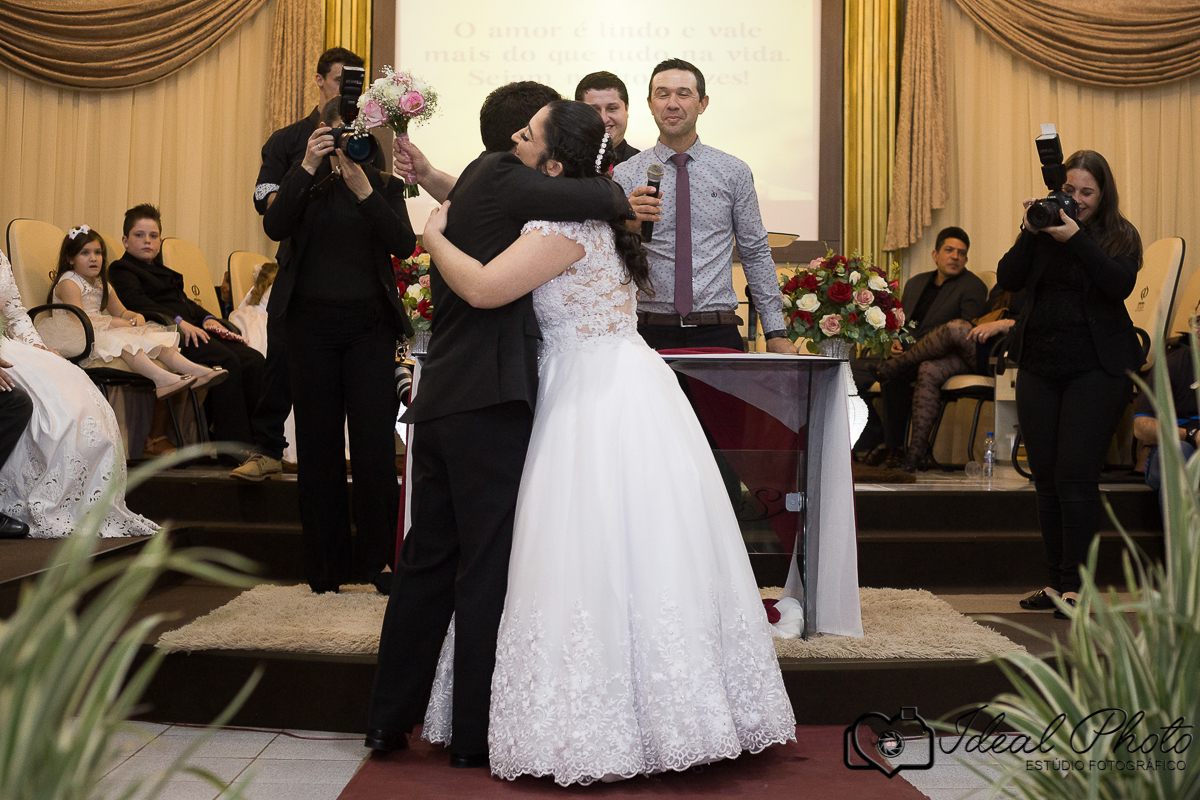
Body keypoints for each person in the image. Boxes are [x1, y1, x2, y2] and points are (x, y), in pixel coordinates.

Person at [419, 100, 796, 786]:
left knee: (584, 548)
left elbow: (480, 289)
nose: (518, 146)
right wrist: (436, 179)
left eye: (529, 139)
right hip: (625, 382)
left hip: (587, 394)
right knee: (639, 545)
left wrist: (433, 236)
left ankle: (601, 720)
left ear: (554, 164)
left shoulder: (562, 225)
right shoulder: (608, 218)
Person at [366, 81, 633, 766]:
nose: (524, 142)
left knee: (427, 559)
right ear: (525, 145)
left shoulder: (489, 182)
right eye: (530, 129)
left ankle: (386, 718)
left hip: (444, 394)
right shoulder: (526, 191)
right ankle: (474, 735)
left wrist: (426, 179)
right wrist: (623, 193)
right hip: (490, 402)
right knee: (486, 569)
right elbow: (598, 199)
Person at [263, 98, 417, 595]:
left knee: (374, 446)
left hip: (369, 329)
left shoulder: (385, 185)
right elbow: (273, 225)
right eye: (338, 132)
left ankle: (380, 562)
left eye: (358, 132)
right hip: (308, 330)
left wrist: (365, 190)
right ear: (321, 132)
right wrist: (307, 165)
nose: (348, 141)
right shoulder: (302, 183)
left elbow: (402, 243)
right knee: (318, 445)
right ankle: (326, 567)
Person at [998, 150, 1143, 619]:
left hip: (1098, 369)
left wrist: (1076, 237)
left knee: (1075, 476)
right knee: (1045, 479)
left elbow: (1117, 284)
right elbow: (1008, 279)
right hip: (1041, 364)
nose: (1076, 200)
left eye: (1087, 193)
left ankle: (1079, 588)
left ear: (1103, 197)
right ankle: (1057, 582)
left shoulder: (1120, 236)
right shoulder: (1042, 231)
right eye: (1071, 191)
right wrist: (1029, 229)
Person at [237, 47, 371, 482]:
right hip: (297, 267)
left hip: (351, 274)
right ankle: (267, 450)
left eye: (355, 86)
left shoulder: (365, 144)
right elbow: (269, 205)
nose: (346, 92)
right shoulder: (287, 140)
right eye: (338, 82)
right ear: (318, 80)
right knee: (279, 360)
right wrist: (309, 169)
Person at [613, 58, 797, 355]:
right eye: (662, 94)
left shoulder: (733, 171)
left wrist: (775, 331)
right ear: (649, 104)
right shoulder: (626, 174)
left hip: (717, 330)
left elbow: (755, 252)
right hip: (646, 332)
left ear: (703, 103)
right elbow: (609, 253)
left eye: (683, 94)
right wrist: (622, 223)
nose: (672, 103)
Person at [0, 248, 158, 539]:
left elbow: (15, 313)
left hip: (10, 346)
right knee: (34, 406)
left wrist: (38, 347)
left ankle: (83, 502)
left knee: (73, 390)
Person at [108, 204, 266, 448]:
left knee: (254, 360)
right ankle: (233, 448)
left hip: (191, 329)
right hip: (164, 333)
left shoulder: (162, 270)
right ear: (125, 241)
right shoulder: (121, 269)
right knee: (226, 361)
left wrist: (207, 319)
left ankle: (261, 442)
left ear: (160, 240)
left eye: (153, 236)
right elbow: (138, 303)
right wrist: (181, 323)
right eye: (139, 236)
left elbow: (185, 302)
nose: (147, 241)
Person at [41, 225, 228, 399]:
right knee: (123, 341)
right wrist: (116, 324)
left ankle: (197, 371)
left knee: (151, 336)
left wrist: (134, 317)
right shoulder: (69, 282)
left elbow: (122, 312)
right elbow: (77, 318)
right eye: (85, 253)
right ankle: (161, 379)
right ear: (70, 258)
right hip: (77, 333)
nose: (93, 258)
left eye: (98, 252)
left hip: (98, 329)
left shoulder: (101, 283)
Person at [861, 227, 987, 467]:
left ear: (966, 259)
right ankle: (876, 440)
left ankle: (894, 449)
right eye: (949, 250)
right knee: (851, 373)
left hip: (943, 357)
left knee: (893, 375)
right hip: (904, 352)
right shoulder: (916, 283)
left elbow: (965, 334)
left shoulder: (973, 286)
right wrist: (894, 340)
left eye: (961, 253)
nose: (955, 257)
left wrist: (916, 350)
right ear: (935, 254)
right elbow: (901, 323)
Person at [871, 283, 1025, 471]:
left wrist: (1003, 324)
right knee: (929, 369)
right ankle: (915, 454)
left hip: (1002, 352)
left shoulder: (1038, 282)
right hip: (981, 345)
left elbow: (1036, 322)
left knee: (955, 327)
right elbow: (983, 317)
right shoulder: (1003, 285)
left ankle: (895, 366)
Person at [1133, 308, 1198, 494]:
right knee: (1180, 453)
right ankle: (1179, 523)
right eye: (1198, 321)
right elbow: (1141, 426)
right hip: (1176, 448)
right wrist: (1191, 434)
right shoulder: (1172, 365)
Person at [575, 71, 640, 165]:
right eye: (594, 110)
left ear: (626, 109)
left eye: (612, 108)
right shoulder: (561, 167)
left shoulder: (645, 167)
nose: (603, 119)